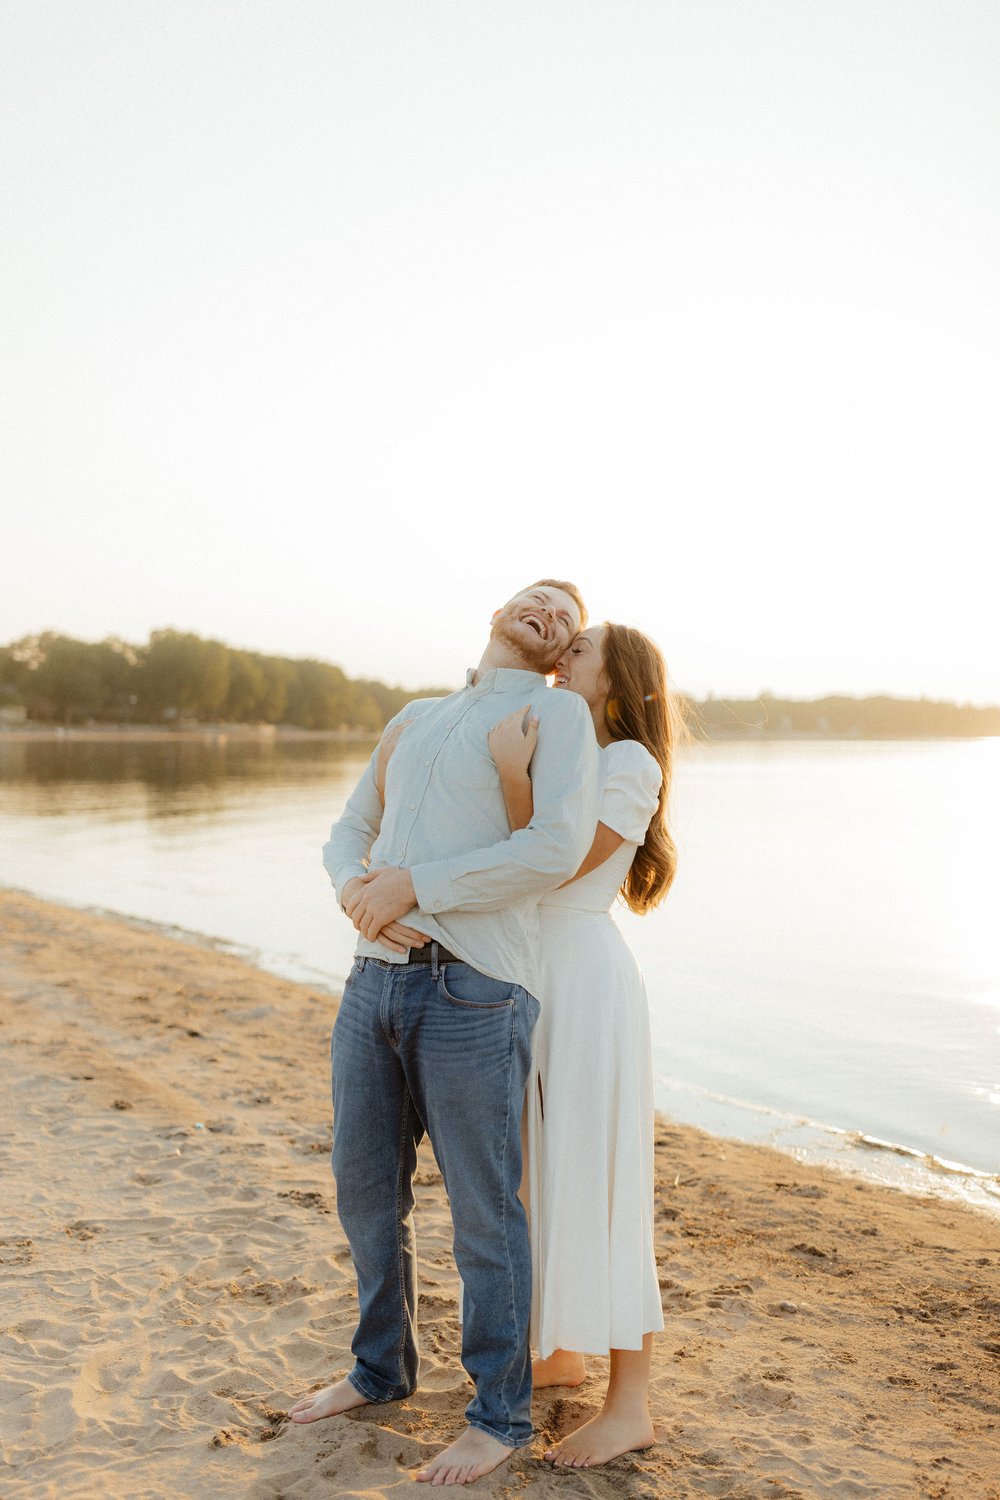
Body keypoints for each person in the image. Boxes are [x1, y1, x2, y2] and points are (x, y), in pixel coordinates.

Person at [288, 581, 600, 1487]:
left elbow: (551, 847)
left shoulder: (559, 720)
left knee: (483, 1214)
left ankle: (499, 1415)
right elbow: (350, 829)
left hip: (476, 992)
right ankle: (379, 1369)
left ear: (561, 653)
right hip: (369, 984)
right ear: (502, 608)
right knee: (363, 1191)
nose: (550, 610)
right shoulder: (417, 715)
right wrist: (359, 890)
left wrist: (415, 884)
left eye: (568, 618)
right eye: (537, 596)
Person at [486, 622, 679, 1468]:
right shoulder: (568, 750)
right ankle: (560, 1350)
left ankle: (630, 1403)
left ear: (617, 677)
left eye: (584, 648)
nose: (565, 656)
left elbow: (549, 865)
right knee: (533, 1171)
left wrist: (509, 780)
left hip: (587, 982)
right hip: (533, 971)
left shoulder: (632, 764)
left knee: (601, 1176)